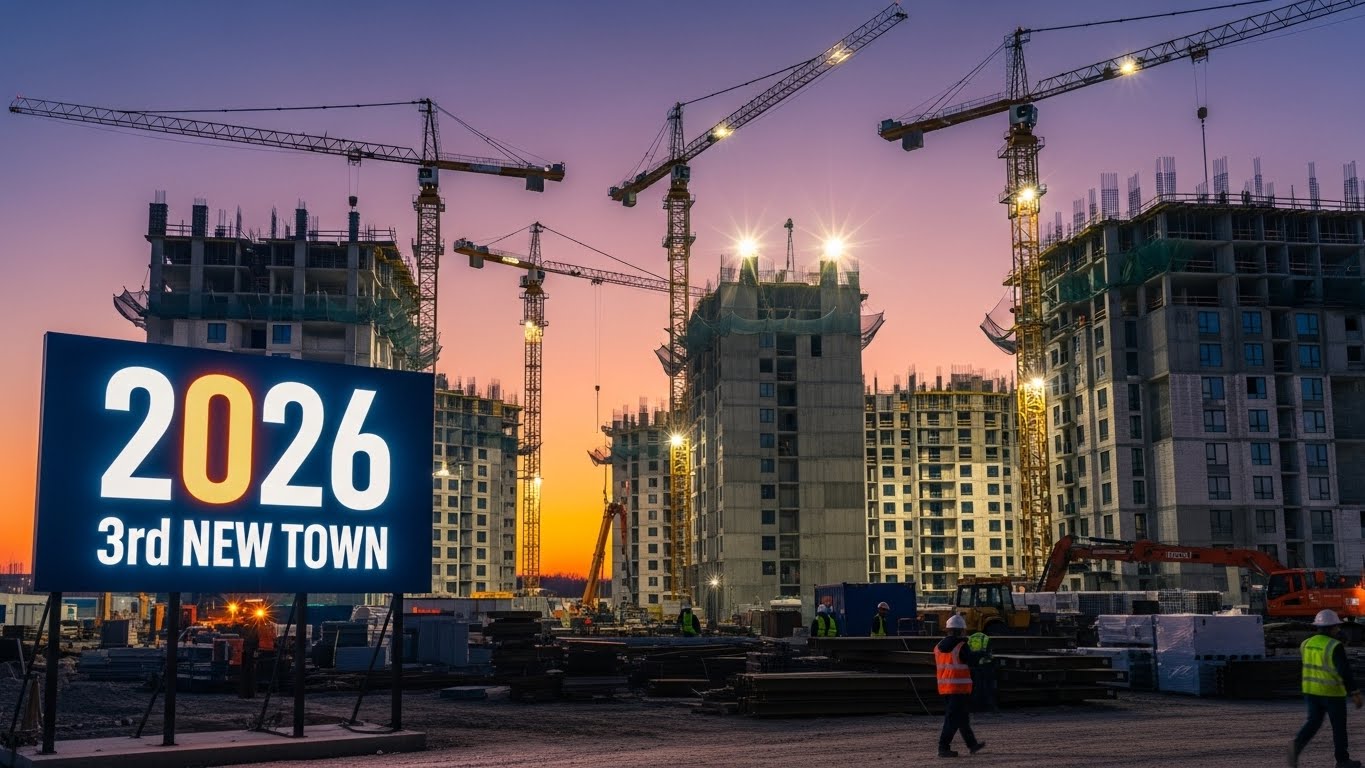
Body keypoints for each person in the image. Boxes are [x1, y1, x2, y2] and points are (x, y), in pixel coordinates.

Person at [1290, 609, 1362, 768]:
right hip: (1332, 694)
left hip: (1310, 691)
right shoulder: (1334, 646)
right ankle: (1342, 761)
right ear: (1330, 628)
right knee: (1339, 727)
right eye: (1336, 627)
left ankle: (1296, 746)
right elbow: (1344, 671)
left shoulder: (1306, 643)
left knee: (1313, 723)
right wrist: (1355, 692)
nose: (1338, 629)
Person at [936, 613, 986, 759]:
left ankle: (972, 744)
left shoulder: (938, 646)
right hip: (959, 689)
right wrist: (981, 654)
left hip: (945, 688)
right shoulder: (961, 646)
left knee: (962, 718)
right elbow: (971, 660)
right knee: (952, 720)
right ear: (960, 631)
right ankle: (943, 748)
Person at [967, 630, 998, 714]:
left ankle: (975, 706)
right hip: (985, 666)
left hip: (973, 666)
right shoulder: (985, 638)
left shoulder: (970, 638)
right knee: (987, 687)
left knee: (975, 687)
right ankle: (988, 706)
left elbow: (968, 654)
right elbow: (989, 654)